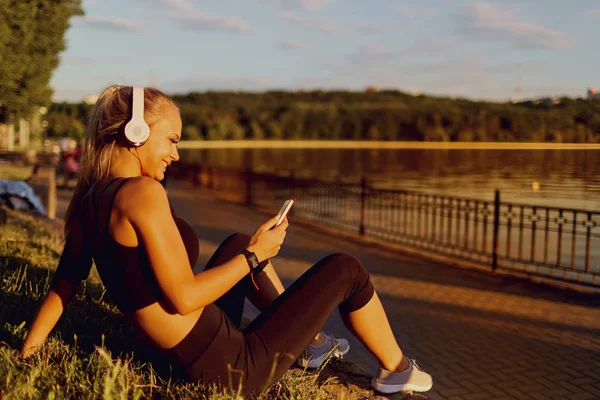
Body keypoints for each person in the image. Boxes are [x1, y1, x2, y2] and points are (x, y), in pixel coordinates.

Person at [20, 85, 433, 396]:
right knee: (347, 269)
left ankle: (310, 344)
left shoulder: (89, 200)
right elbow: (183, 298)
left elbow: (63, 287)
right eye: (172, 141)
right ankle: (397, 371)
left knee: (235, 241)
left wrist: (28, 352)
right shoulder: (141, 194)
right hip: (231, 369)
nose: (176, 155)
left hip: (180, 355)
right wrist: (256, 255)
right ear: (137, 132)